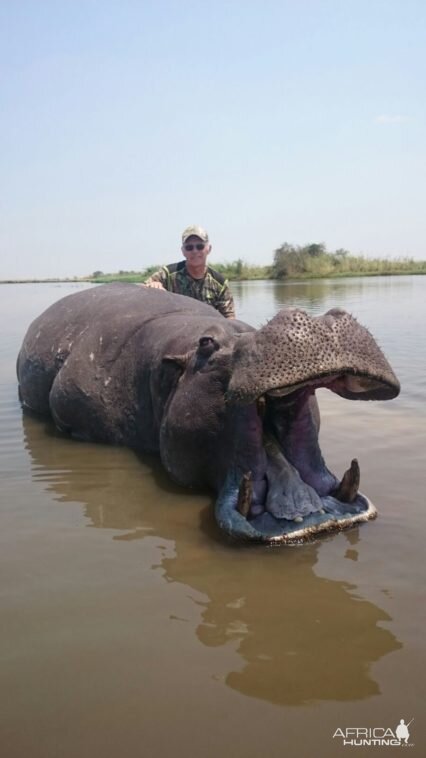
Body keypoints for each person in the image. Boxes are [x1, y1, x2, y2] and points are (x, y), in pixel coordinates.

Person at [144, 225, 236, 319]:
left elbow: (229, 317)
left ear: (209, 249)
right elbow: (140, 291)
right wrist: (152, 285)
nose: (195, 251)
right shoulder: (168, 274)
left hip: (208, 330)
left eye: (200, 246)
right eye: (189, 247)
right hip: (175, 328)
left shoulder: (220, 283)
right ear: (183, 251)